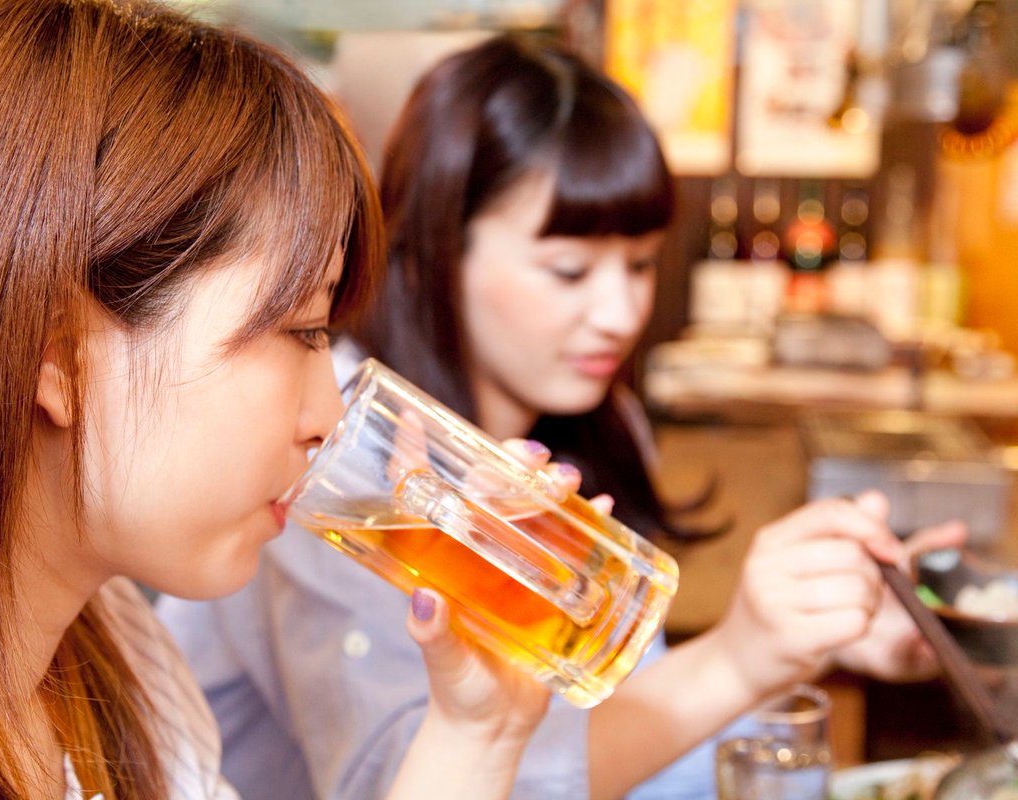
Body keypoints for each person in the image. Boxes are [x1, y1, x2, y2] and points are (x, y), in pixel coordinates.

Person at [157, 34, 967, 800]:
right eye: (570, 269)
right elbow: (403, 777)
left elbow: (611, 690)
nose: (620, 312)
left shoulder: (584, 409)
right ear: (442, 249)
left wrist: (827, 622)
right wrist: (741, 655)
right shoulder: (340, 456)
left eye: (642, 263)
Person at [0, 5, 571, 798]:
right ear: (56, 354)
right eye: (302, 329)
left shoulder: (126, 676)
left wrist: (477, 728)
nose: (330, 419)